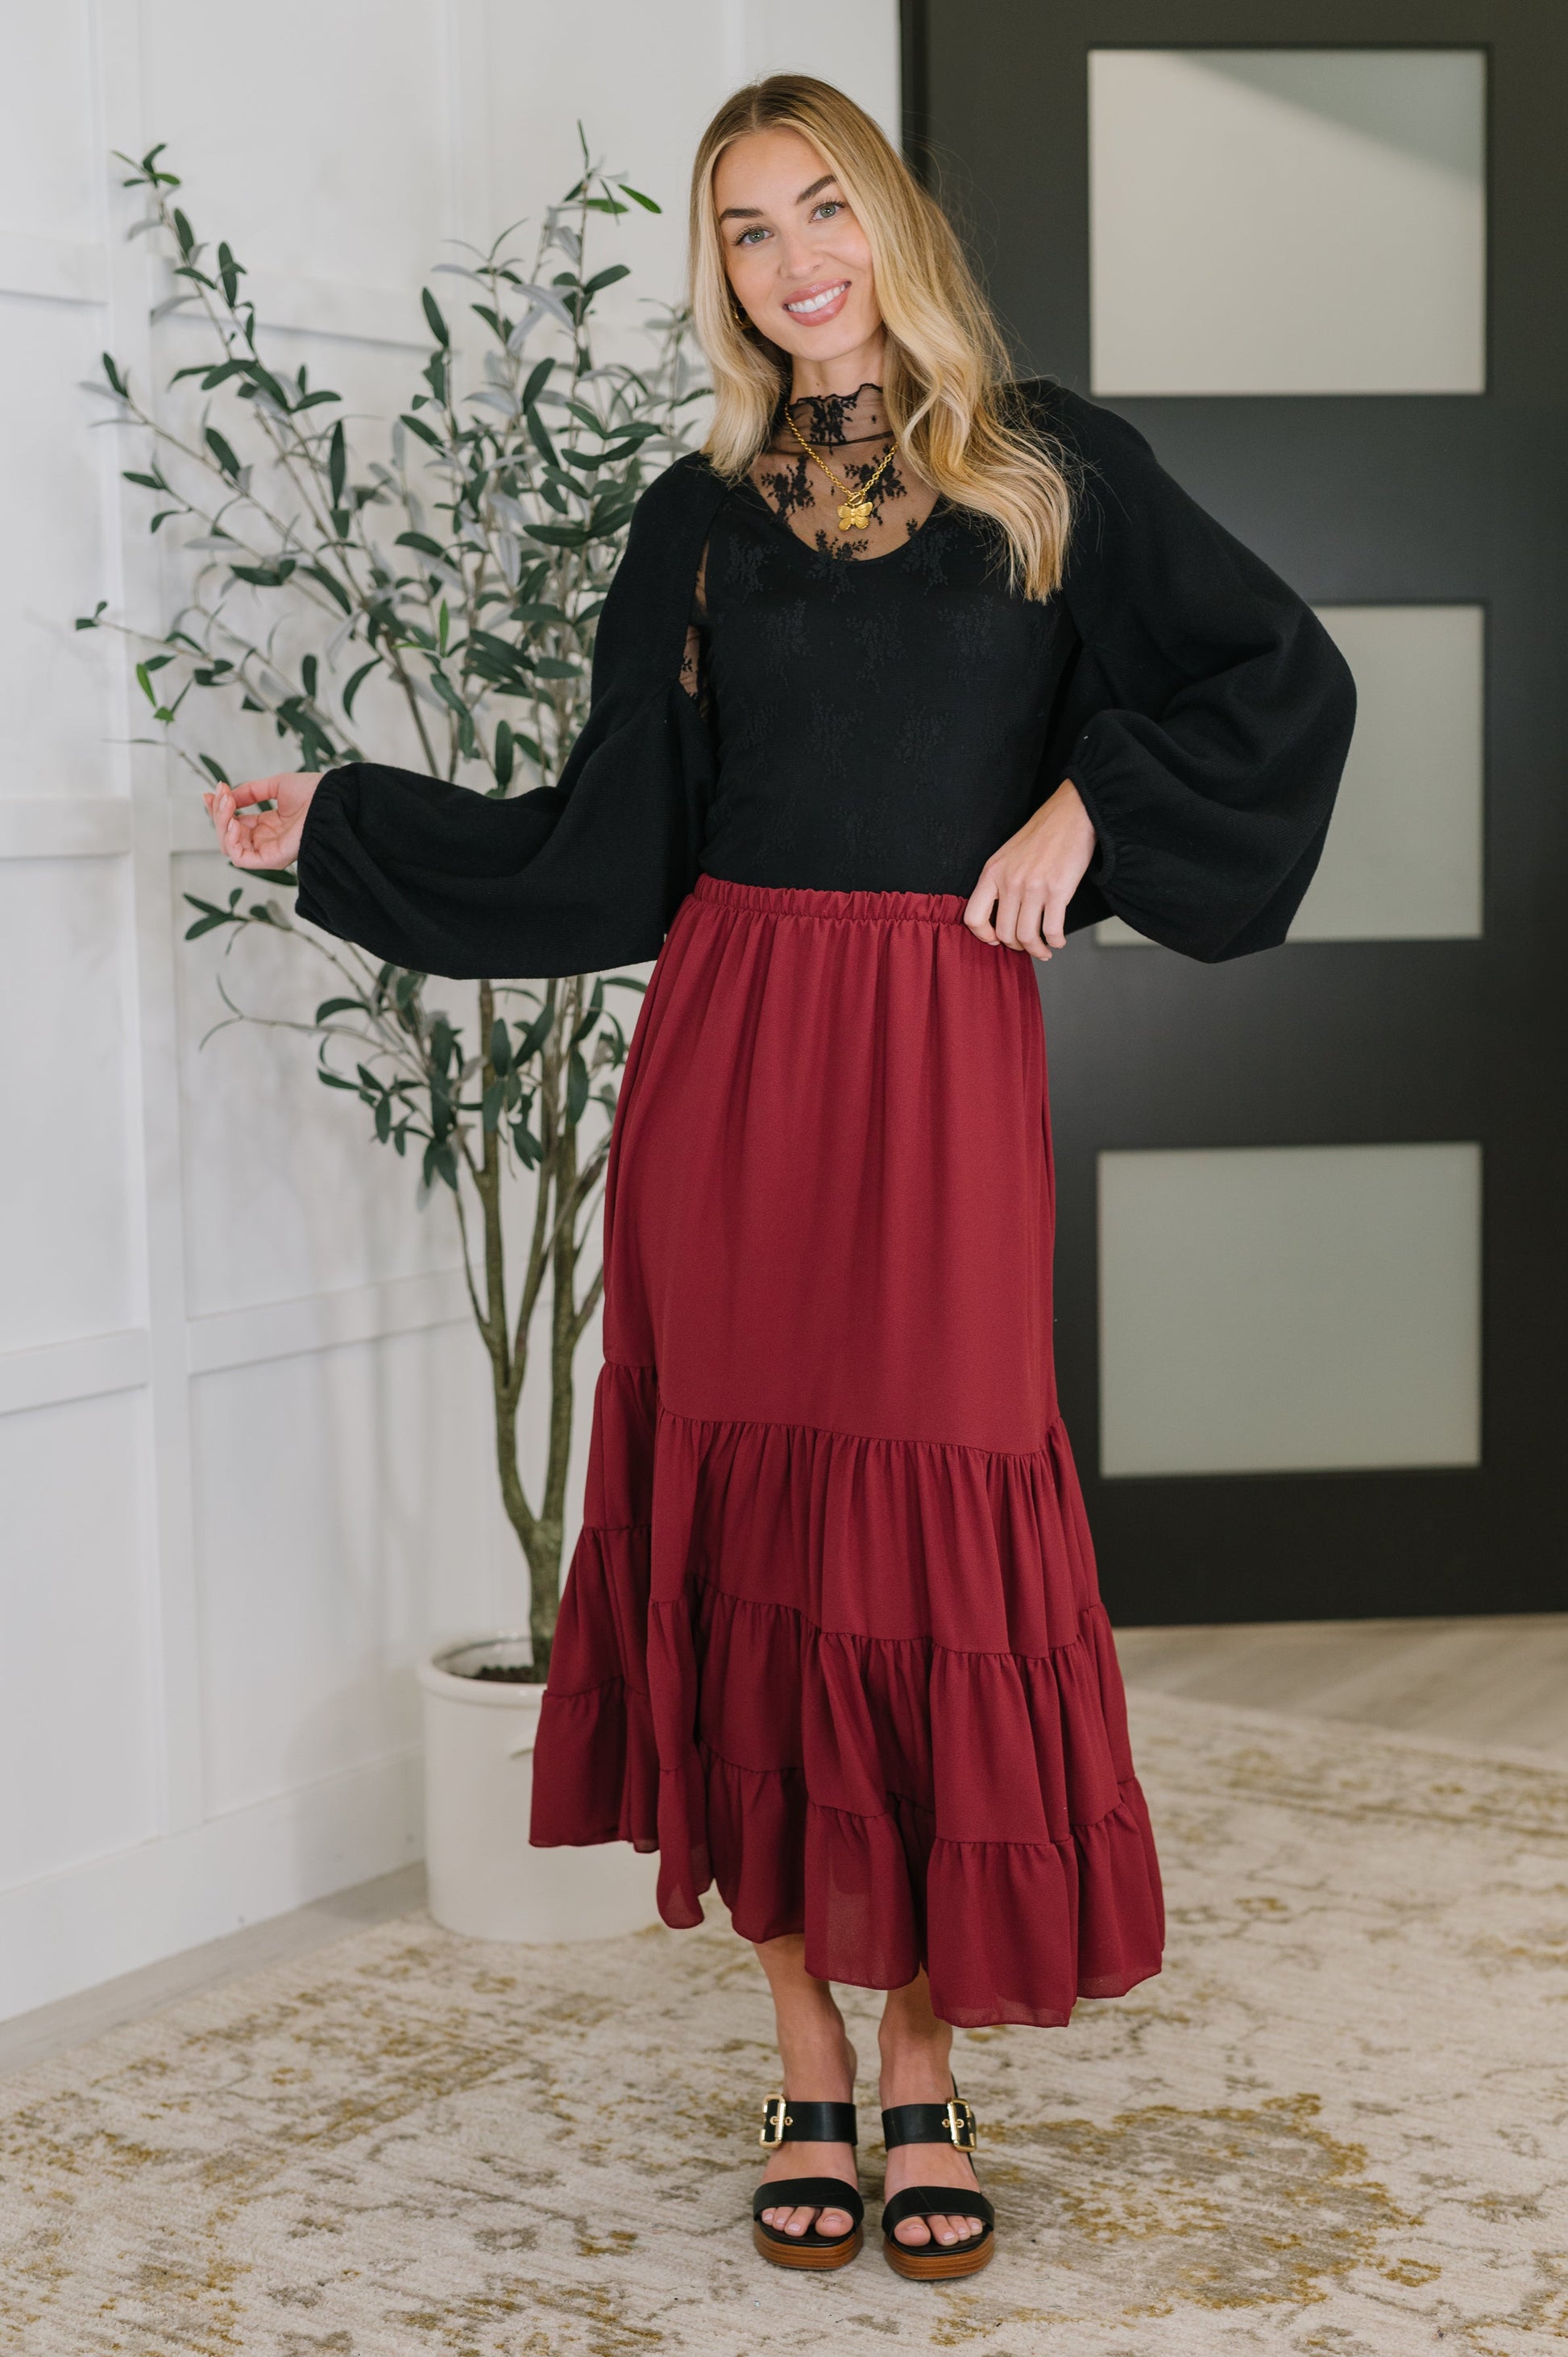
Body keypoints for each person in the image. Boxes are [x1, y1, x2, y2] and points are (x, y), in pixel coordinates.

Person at [205, 74, 1355, 2282]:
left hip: (935, 1059)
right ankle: (808, 2062)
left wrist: (1089, 807)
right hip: (728, 1064)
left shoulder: (1049, 470)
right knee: (745, 1546)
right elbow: (608, 843)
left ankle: (927, 2071)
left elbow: (1274, 684)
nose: (795, 259)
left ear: (890, 218)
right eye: (747, 229)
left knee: (925, 1547)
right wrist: (337, 829)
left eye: (823, 207)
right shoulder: (696, 519)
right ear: (720, 274)